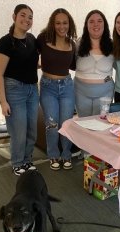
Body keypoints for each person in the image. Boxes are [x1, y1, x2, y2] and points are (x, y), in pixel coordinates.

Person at [0, 4, 39, 176]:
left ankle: (27, 160)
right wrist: (3, 101)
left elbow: (32, 64)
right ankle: (17, 162)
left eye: (30, 17)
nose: (27, 20)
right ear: (14, 17)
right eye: (23, 15)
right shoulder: (5, 42)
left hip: (32, 89)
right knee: (18, 130)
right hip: (14, 90)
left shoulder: (32, 40)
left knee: (31, 130)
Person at [37, 8, 77, 171]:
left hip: (67, 87)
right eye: (58, 23)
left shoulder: (72, 44)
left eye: (65, 23)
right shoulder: (42, 39)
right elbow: (30, 55)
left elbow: (74, 66)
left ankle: (66, 154)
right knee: (52, 124)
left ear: (70, 24)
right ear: (53, 24)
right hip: (48, 88)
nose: (62, 26)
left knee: (66, 124)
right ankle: (53, 155)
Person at [74, 10, 114, 117]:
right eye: (91, 21)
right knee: (84, 124)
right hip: (81, 92)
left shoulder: (112, 45)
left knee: (101, 124)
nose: (95, 24)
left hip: (105, 93)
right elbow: (69, 63)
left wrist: (107, 80)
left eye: (99, 21)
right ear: (86, 25)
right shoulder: (79, 43)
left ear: (104, 24)